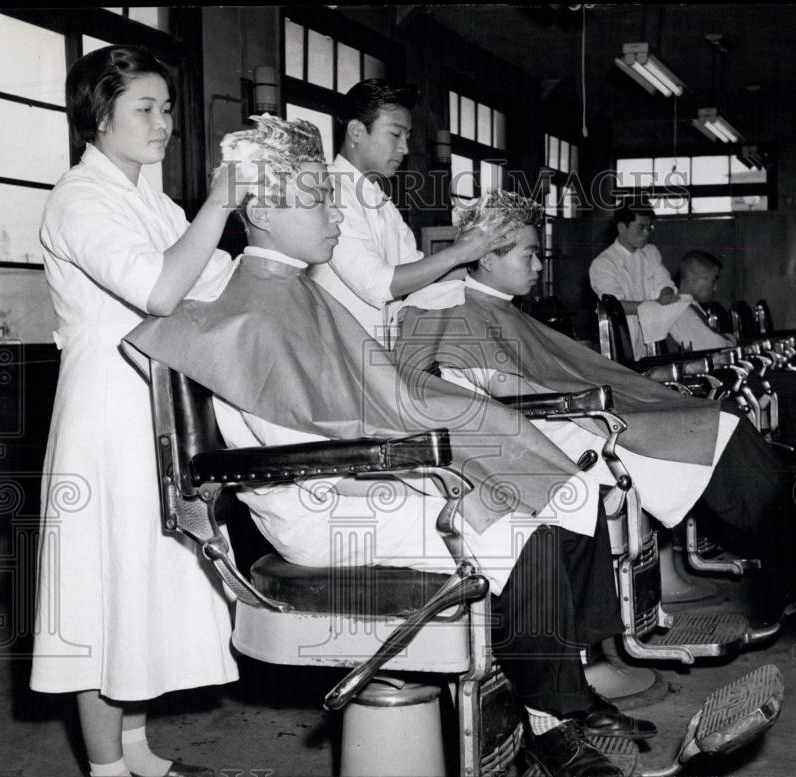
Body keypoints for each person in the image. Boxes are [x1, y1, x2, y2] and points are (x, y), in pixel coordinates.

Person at [125, 115, 657, 777]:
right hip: (323, 509)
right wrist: (426, 471)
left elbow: (377, 399)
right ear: (260, 208)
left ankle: (548, 711)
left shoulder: (298, 295)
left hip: (361, 479)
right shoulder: (251, 314)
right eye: (319, 197)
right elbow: (307, 446)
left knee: (565, 497)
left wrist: (470, 440)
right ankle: (549, 727)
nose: (335, 214)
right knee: (532, 532)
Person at [32, 45, 240, 777]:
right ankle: (105, 767)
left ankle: (137, 750)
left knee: (145, 577)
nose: (165, 123)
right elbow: (157, 289)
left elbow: (216, 280)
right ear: (100, 116)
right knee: (100, 585)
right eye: (145, 109)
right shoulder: (77, 199)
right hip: (104, 409)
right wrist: (221, 202)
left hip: (157, 400)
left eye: (167, 107)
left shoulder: (153, 201)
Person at [396, 190, 786, 565]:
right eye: (529, 255)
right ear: (488, 258)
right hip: (564, 429)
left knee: (723, 416)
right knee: (721, 428)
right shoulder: (456, 309)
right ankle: (794, 551)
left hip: (582, 410)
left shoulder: (500, 307)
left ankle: (790, 542)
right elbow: (510, 389)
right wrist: (600, 406)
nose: (538, 266)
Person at [309, 79, 515, 346]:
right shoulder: (331, 193)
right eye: (395, 134)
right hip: (337, 353)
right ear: (357, 132)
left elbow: (419, 278)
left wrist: (487, 257)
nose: (405, 149)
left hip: (376, 353)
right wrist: (460, 252)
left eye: (407, 137)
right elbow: (377, 283)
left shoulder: (381, 202)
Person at [588, 202, 686, 359]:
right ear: (621, 227)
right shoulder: (603, 263)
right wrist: (656, 306)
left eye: (649, 227)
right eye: (640, 227)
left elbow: (663, 280)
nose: (647, 233)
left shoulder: (651, 252)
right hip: (623, 336)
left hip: (652, 334)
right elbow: (616, 306)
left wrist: (666, 291)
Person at [667, 250, 738, 351]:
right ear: (693, 278)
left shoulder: (690, 306)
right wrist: (731, 339)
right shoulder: (680, 311)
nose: (715, 288)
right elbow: (716, 345)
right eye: (713, 281)